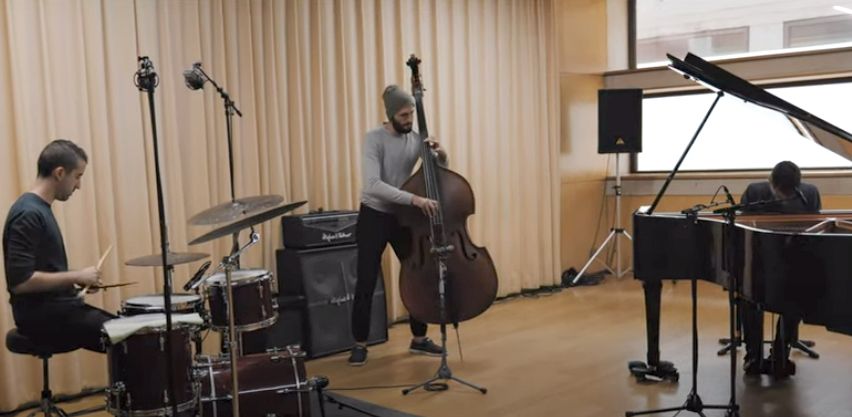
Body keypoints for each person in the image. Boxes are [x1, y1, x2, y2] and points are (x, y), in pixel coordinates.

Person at [348, 85, 447, 366]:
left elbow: (439, 172)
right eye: (404, 114)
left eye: (411, 114)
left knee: (417, 273)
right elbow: (373, 185)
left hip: (402, 217)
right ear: (391, 114)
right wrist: (415, 199)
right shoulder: (373, 139)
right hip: (374, 214)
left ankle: (419, 338)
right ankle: (359, 343)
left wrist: (441, 154)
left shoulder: (416, 139)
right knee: (366, 279)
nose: (409, 119)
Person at [3, 139, 115, 353]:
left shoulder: (39, 209)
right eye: (78, 176)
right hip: (43, 317)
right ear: (60, 173)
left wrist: (76, 283)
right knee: (128, 337)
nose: (79, 185)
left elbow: (44, 272)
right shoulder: (28, 214)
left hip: (56, 310)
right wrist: (76, 276)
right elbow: (20, 282)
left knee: (127, 330)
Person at [740, 160, 820, 376]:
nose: (785, 196)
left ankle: (780, 354)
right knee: (749, 298)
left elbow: (814, 229)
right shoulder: (754, 192)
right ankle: (753, 355)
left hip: (795, 259)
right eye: (780, 192)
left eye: (790, 192)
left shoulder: (809, 194)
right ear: (770, 182)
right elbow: (742, 231)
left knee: (796, 299)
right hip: (757, 259)